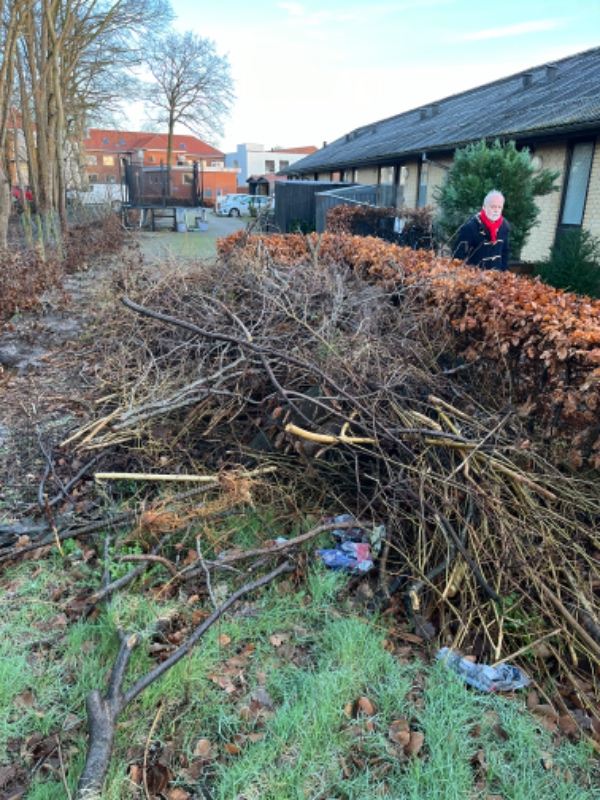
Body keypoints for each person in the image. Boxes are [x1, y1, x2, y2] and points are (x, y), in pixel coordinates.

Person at [453, 190, 510, 271]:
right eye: (493, 207)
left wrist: (503, 274)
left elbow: (505, 253)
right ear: (484, 206)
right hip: (475, 280)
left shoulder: (504, 227)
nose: (496, 210)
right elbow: (458, 256)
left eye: (499, 207)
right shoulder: (470, 228)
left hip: (497, 279)